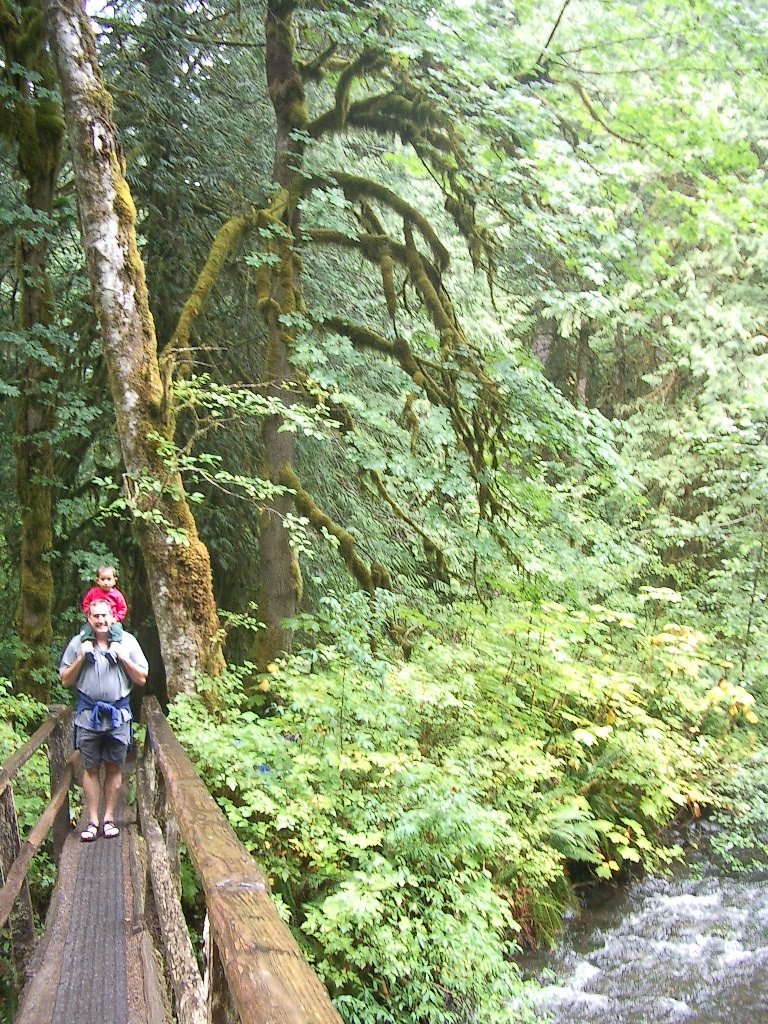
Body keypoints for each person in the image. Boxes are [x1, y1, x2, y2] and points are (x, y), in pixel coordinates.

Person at [60, 597, 148, 842]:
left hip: (118, 717)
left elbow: (142, 678)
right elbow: (65, 680)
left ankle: (108, 818)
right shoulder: (78, 642)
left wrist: (123, 658)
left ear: (113, 617)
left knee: (113, 767)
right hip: (88, 717)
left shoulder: (127, 642)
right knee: (90, 769)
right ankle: (92, 820)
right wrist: (80, 658)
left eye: (104, 615)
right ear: (89, 618)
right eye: (96, 616)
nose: (100, 620)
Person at [80, 564, 128, 666]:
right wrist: (89, 615)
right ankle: (88, 649)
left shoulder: (117, 595)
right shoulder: (93, 592)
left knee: (116, 630)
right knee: (87, 629)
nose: (106, 582)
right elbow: (85, 603)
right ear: (97, 580)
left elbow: (123, 608)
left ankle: (113, 650)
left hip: (112, 621)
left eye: (109, 579)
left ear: (115, 580)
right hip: (95, 621)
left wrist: (116, 619)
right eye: (103, 579)